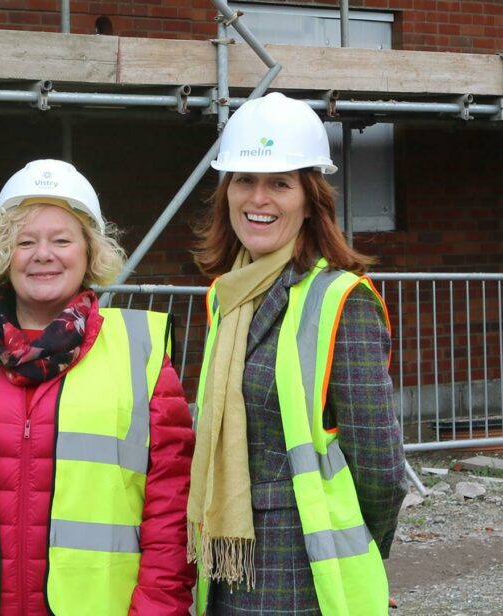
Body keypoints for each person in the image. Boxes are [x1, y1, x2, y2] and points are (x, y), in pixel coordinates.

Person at [0, 159, 195, 616]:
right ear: (2, 253)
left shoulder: (140, 352)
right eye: (24, 241)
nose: (43, 254)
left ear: (90, 252)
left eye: (62, 240)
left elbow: (171, 510)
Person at [188, 92, 408, 615]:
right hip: (224, 567)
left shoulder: (341, 300)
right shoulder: (227, 296)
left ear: (310, 199)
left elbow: (380, 467)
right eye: (244, 180)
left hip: (302, 573)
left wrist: (359, 553)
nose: (258, 198)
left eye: (280, 184)